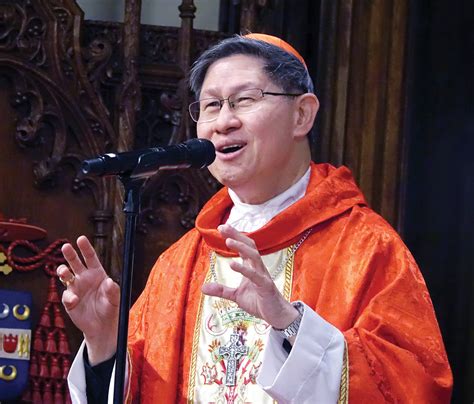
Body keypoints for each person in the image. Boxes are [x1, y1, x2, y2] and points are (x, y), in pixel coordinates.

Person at [57, 33, 453, 403]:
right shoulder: (180, 264)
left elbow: (415, 383)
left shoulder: (364, 248)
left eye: (245, 99)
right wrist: (105, 342)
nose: (223, 120)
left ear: (302, 114)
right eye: (211, 105)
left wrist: (290, 326)